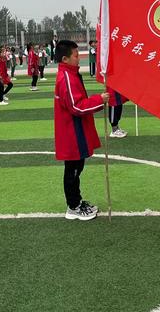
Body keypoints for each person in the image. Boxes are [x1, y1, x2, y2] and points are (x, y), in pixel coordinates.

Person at [54, 39, 109, 221]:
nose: (79, 59)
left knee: (77, 168)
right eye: (76, 56)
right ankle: (73, 206)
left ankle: (76, 201)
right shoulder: (66, 78)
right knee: (73, 169)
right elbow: (76, 107)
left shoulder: (71, 74)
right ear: (65, 59)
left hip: (75, 130)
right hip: (72, 132)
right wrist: (99, 99)